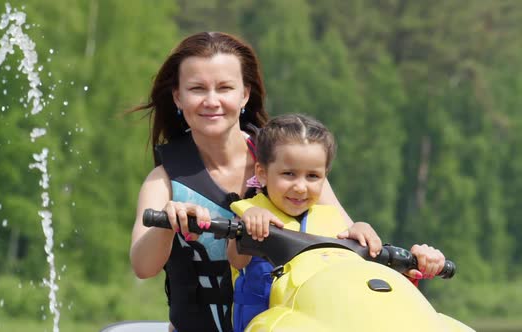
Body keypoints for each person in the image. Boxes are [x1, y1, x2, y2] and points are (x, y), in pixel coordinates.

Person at [129, 32, 381, 332]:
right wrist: (170, 224)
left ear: (244, 94)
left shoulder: (294, 169)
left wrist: (394, 248)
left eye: (224, 88)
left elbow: (348, 248)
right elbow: (143, 267)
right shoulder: (163, 181)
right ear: (178, 97)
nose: (212, 101)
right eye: (197, 89)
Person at [225, 114, 446, 332]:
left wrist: (367, 238)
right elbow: (237, 260)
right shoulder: (250, 213)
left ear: (325, 176)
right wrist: (250, 225)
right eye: (289, 174)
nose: (301, 187)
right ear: (262, 174)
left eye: (312, 176)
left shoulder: (333, 221)